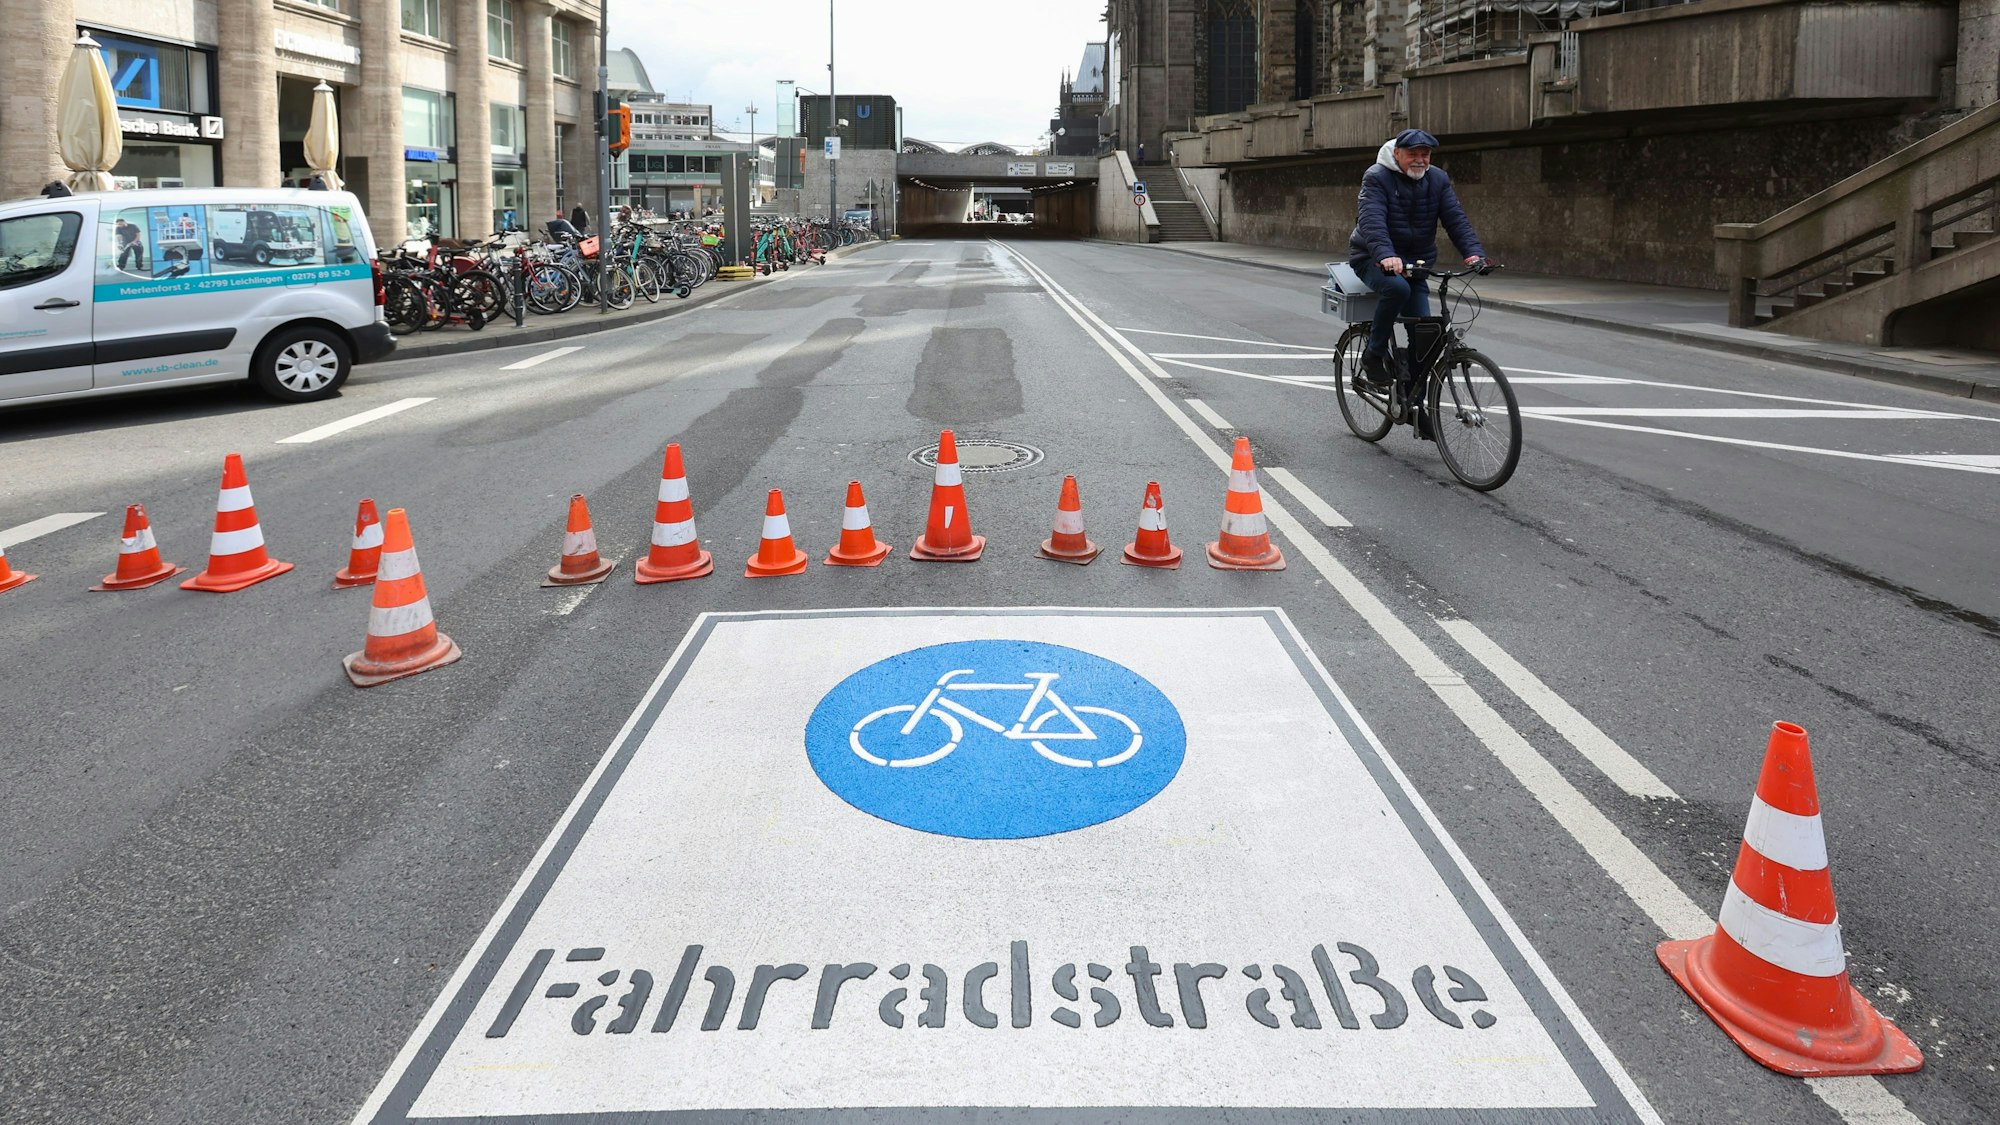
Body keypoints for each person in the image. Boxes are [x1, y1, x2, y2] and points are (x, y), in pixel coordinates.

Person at [1347, 129, 1485, 388]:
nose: (1420, 160)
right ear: (1397, 153)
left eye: (1425, 154)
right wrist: (1386, 255)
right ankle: (1373, 355)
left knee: (1425, 339)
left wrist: (1474, 254)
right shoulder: (1377, 177)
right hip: (1372, 257)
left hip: (1416, 264)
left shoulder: (1437, 179)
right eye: (1413, 154)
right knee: (1397, 289)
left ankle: (1416, 405)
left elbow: (1456, 219)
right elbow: (1372, 221)